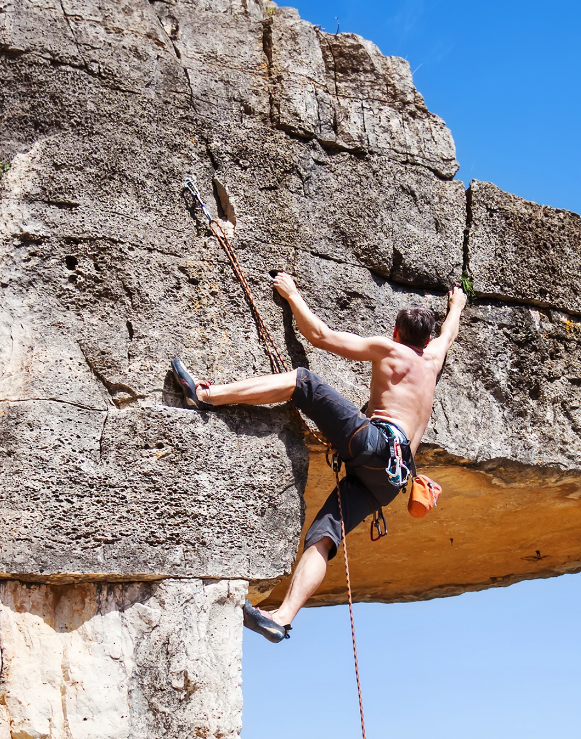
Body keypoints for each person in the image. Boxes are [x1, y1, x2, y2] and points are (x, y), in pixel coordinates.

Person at [171, 272, 466, 643]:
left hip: (375, 444)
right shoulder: (434, 358)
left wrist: (293, 294)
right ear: (426, 340)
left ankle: (207, 395)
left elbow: (320, 336)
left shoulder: (391, 350)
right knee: (323, 538)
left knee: (303, 382)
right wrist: (457, 304)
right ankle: (282, 616)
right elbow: (449, 332)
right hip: (393, 480)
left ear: (396, 333)